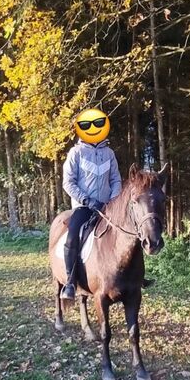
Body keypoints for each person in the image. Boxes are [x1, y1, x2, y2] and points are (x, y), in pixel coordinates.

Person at [61, 110, 122, 300]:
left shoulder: (109, 153)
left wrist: (111, 201)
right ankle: (70, 282)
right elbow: (68, 182)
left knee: (128, 235)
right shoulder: (76, 153)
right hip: (83, 207)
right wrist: (86, 199)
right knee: (72, 237)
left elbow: (116, 180)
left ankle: (135, 277)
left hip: (106, 207)